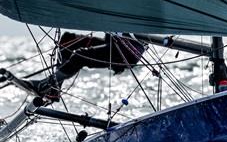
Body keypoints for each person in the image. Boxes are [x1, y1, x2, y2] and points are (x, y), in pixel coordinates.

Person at [1, 32, 145, 101]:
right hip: (114, 44)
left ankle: (45, 85)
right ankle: (54, 89)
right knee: (67, 40)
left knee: (80, 55)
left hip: (126, 51)